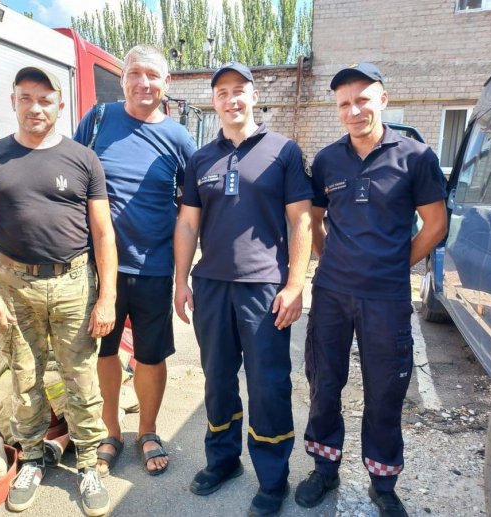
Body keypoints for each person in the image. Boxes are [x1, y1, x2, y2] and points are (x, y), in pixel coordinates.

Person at [0, 66, 117, 517]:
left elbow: (103, 232)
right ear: (13, 102)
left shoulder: (84, 159)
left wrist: (107, 297)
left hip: (73, 284)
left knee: (81, 377)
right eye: (26, 98)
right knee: (24, 378)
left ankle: (87, 463)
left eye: (45, 100)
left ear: (60, 106)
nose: (35, 108)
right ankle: (30, 459)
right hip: (13, 287)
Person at [294, 63, 448, 517]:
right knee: (324, 383)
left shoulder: (416, 157)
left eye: (362, 99)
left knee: (385, 392)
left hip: (386, 298)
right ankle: (324, 469)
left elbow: (435, 224)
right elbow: (314, 220)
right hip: (331, 295)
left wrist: (395, 264)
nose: (354, 110)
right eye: (344, 103)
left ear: (382, 99)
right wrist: (331, 259)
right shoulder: (327, 160)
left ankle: (383, 482)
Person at [174, 62, 313, 517]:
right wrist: (181, 280)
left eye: (239, 90)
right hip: (212, 286)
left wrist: (295, 284)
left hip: (264, 289)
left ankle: (272, 478)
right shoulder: (201, 159)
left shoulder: (283, 151)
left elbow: (301, 220)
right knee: (217, 381)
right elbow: (188, 223)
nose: (231, 99)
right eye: (222, 93)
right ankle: (223, 461)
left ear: (254, 96)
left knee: (268, 385)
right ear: (213, 102)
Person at [74, 45, 196, 477]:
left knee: (150, 354)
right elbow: (68, 181)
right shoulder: (98, 120)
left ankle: (147, 430)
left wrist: (183, 277)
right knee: (104, 351)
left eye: (153, 75)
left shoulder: (179, 139)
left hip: (154, 268)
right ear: (123, 79)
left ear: (167, 83)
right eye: (135, 73)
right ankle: (111, 431)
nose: (144, 83)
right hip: (98, 270)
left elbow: (193, 209)